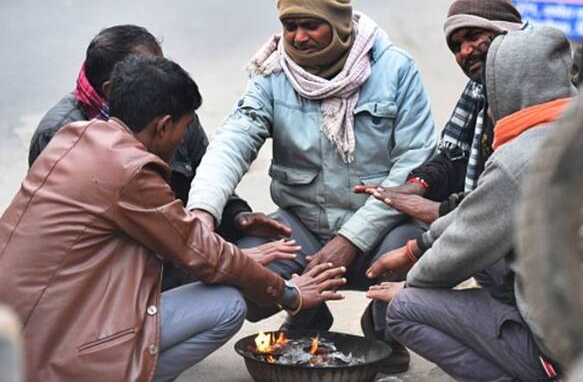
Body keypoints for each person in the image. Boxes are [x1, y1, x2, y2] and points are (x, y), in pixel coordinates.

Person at [0, 54, 346, 381]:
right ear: (163, 126)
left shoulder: (72, 138)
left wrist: (235, 257)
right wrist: (288, 293)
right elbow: (201, 253)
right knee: (226, 305)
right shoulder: (130, 172)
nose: (185, 136)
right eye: (185, 126)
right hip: (55, 347)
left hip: (20, 331)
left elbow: (183, 244)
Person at [367, 27, 583, 380]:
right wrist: (416, 247)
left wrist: (410, 283)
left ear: (506, 86)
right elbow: (477, 215)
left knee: (405, 310)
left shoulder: (522, 157)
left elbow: (459, 249)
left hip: (580, 353)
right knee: (486, 258)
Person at [186, 0, 436, 372]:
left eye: (310, 25)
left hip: (380, 231)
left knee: (419, 251)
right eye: (290, 26)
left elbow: (415, 164)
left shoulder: (396, 70)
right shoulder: (272, 74)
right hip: (302, 229)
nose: (298, 37)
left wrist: (350, 239)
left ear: (339, 24)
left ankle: (385, 331)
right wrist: (203, 213)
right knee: (245, 273)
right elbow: (231, 143)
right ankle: (306, 317)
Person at [28, 24, 290, 290]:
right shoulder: (59, 135)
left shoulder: (170, 106)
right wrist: (210, 257)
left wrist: (236, 216)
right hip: (115, 269)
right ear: (114, 88)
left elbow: (204, 172)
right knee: (228, 297)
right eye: (152, 69)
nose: (165, 76)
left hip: (178, 232)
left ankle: (305, 318)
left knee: (272, 254)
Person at [354, 0, 528, 225]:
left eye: (474, 35)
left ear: (506, 30)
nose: (465, 51)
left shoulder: (540, 87)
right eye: (456, 46)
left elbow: (510, 195)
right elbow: (454, 157)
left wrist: (439, 212)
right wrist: (417, 185)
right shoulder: (478, 90)